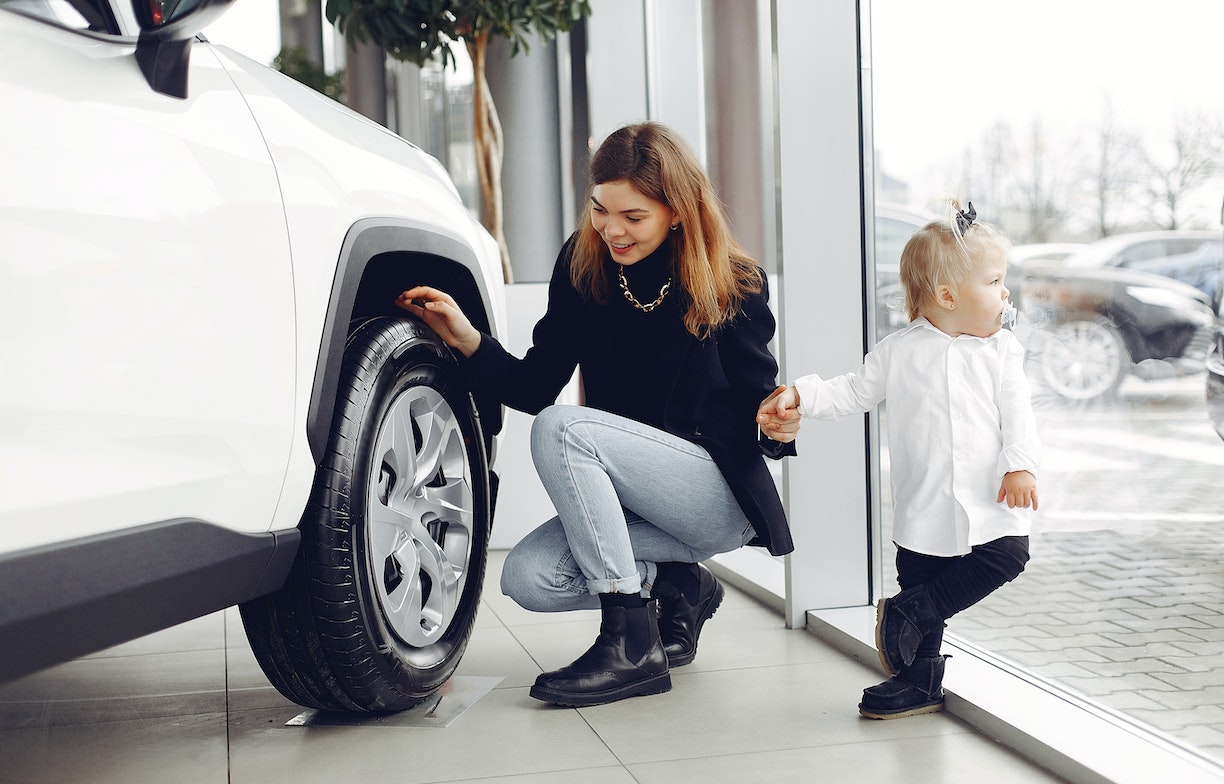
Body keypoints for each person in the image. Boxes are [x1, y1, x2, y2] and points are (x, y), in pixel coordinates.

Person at [396, 121, 797, 708]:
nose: (612, 229)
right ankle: (680, 585)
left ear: (678, 211)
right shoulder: (583, 267)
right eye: (600, 209)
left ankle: (631, 643)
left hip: (713, 495)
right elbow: (536, 385)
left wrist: (777, 422)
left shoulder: (733, 282)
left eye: (633, 216)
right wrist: (468, 340)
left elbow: (760, 399)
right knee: (527, 578)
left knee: (563, 429)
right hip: (637, 499)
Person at [756, 201, 1039, 720]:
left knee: (1007, 556)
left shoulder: (1003, 352)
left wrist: (1020, 464)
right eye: (996, 282)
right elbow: (852, 391)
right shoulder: (900, 350)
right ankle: (919, 680)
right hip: (923, 500)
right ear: (949, 295)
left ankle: (912, 612)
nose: (1006, 294)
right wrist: (802, 394)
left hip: (987, 494)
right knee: (921, 574)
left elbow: (1019, 412)